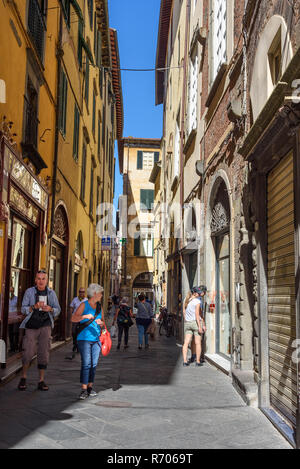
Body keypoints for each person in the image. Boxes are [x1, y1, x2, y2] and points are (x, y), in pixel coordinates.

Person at [18, 270, 61, 391]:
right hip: (31, 325)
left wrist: (51, 309)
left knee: (44, 352)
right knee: (27, 352)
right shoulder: (29, 292)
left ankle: (41, 381)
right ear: (35, 280)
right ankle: (23, 377)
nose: (41, 281)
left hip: (46, 325)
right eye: (39, 278)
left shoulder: (51, 293)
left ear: (47, 281)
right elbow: (23, 309)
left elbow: (58, 309)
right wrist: (33, 307)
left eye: (43, 279)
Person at [72, 283, 104, 400]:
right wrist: (84, 317)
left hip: (96, 339)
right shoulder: (83, 305)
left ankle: (90, 387)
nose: (101, 296)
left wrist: (102, 324)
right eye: (100, 294)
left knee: (94, 364)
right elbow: (73, 318)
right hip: (84, 338)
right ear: (94, 294)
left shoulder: (100, 307)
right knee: (86, 363)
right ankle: (84, 389)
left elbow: (103, 322)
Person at [182, 286, 206, 367]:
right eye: (199, 293)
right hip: (195, 323)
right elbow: (197, 315)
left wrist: (186, 320)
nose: (200, 294)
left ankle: (185, 361)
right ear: (195, 293)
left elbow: (184, 312)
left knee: (186, 343)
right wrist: (200, 326)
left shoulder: (186, 300)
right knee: (198, 343)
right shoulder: (197, 301)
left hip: (187, 323)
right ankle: (198, 361)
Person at [189, 285, 207, 364]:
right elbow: (199, 313)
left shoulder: (191, 299)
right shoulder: (199, 300)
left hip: (190, 321)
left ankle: (193, 355)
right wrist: (202, 324)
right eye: (205, 292)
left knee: (193, 340)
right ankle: (198, 358)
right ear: (202, 292)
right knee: (198, 341)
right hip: (197, 321)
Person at [70, 288, 87, 355]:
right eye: (80, 292)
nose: (81, 293)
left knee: (81, 333)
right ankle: (75, 343)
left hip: (83, 319)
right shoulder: (75, 299)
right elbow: (71, 307)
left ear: (84, 293)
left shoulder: (86, 300)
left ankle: (79, 347)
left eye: (83, 292)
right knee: (74, 332)